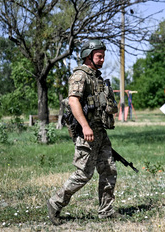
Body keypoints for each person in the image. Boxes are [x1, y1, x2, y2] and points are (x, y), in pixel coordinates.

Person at [47, 39, 119, 225]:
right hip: (87, 132)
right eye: (99, 56)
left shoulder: (96, 76)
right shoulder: (80, 75)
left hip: (100, 131)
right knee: (83, 174)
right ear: (88, 56)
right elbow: (73, 101)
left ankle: (106, 211)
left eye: (103, 56)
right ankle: (55, 203)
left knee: (109, 169)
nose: (103, 59)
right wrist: (85, 126)